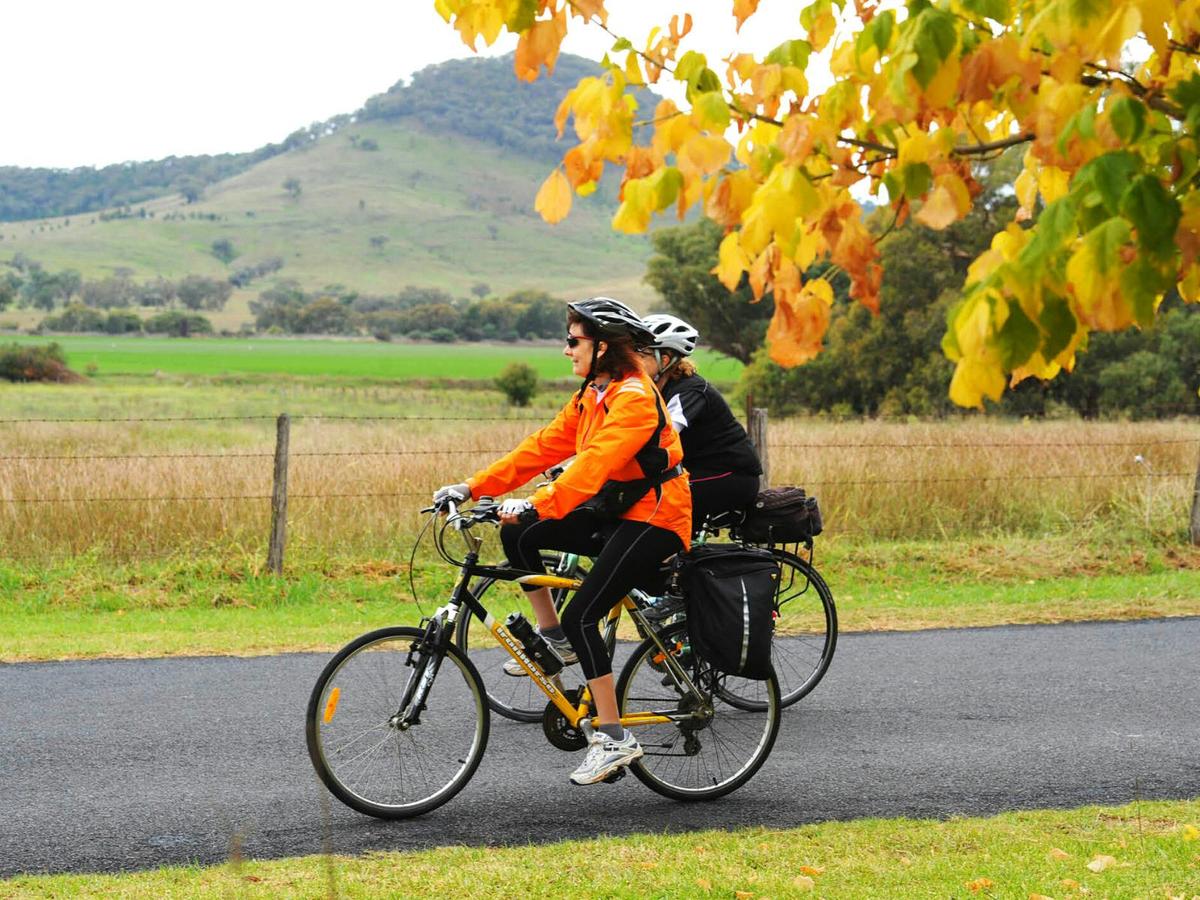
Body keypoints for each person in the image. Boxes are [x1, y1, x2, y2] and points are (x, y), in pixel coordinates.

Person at [433, 297, 691, 786]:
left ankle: (614, 737)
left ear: (604, 347)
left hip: (657, 517)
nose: (566, 349)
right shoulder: (592, 393)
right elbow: (542, 447)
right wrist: (472, 487)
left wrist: (539, 502)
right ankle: (555, 642)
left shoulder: (634, 397)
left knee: (584, 615)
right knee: (520, 533)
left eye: (574, 340)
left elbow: (595, 465)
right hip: (619, 511)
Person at [639, 313, 763, 529]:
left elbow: (663, 436)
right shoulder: (653, 391)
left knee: (654, 497)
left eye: (641, 354)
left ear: (664, 360)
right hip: (697, 470)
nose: (633, 360)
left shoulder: (689, 391)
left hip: (730, 476)